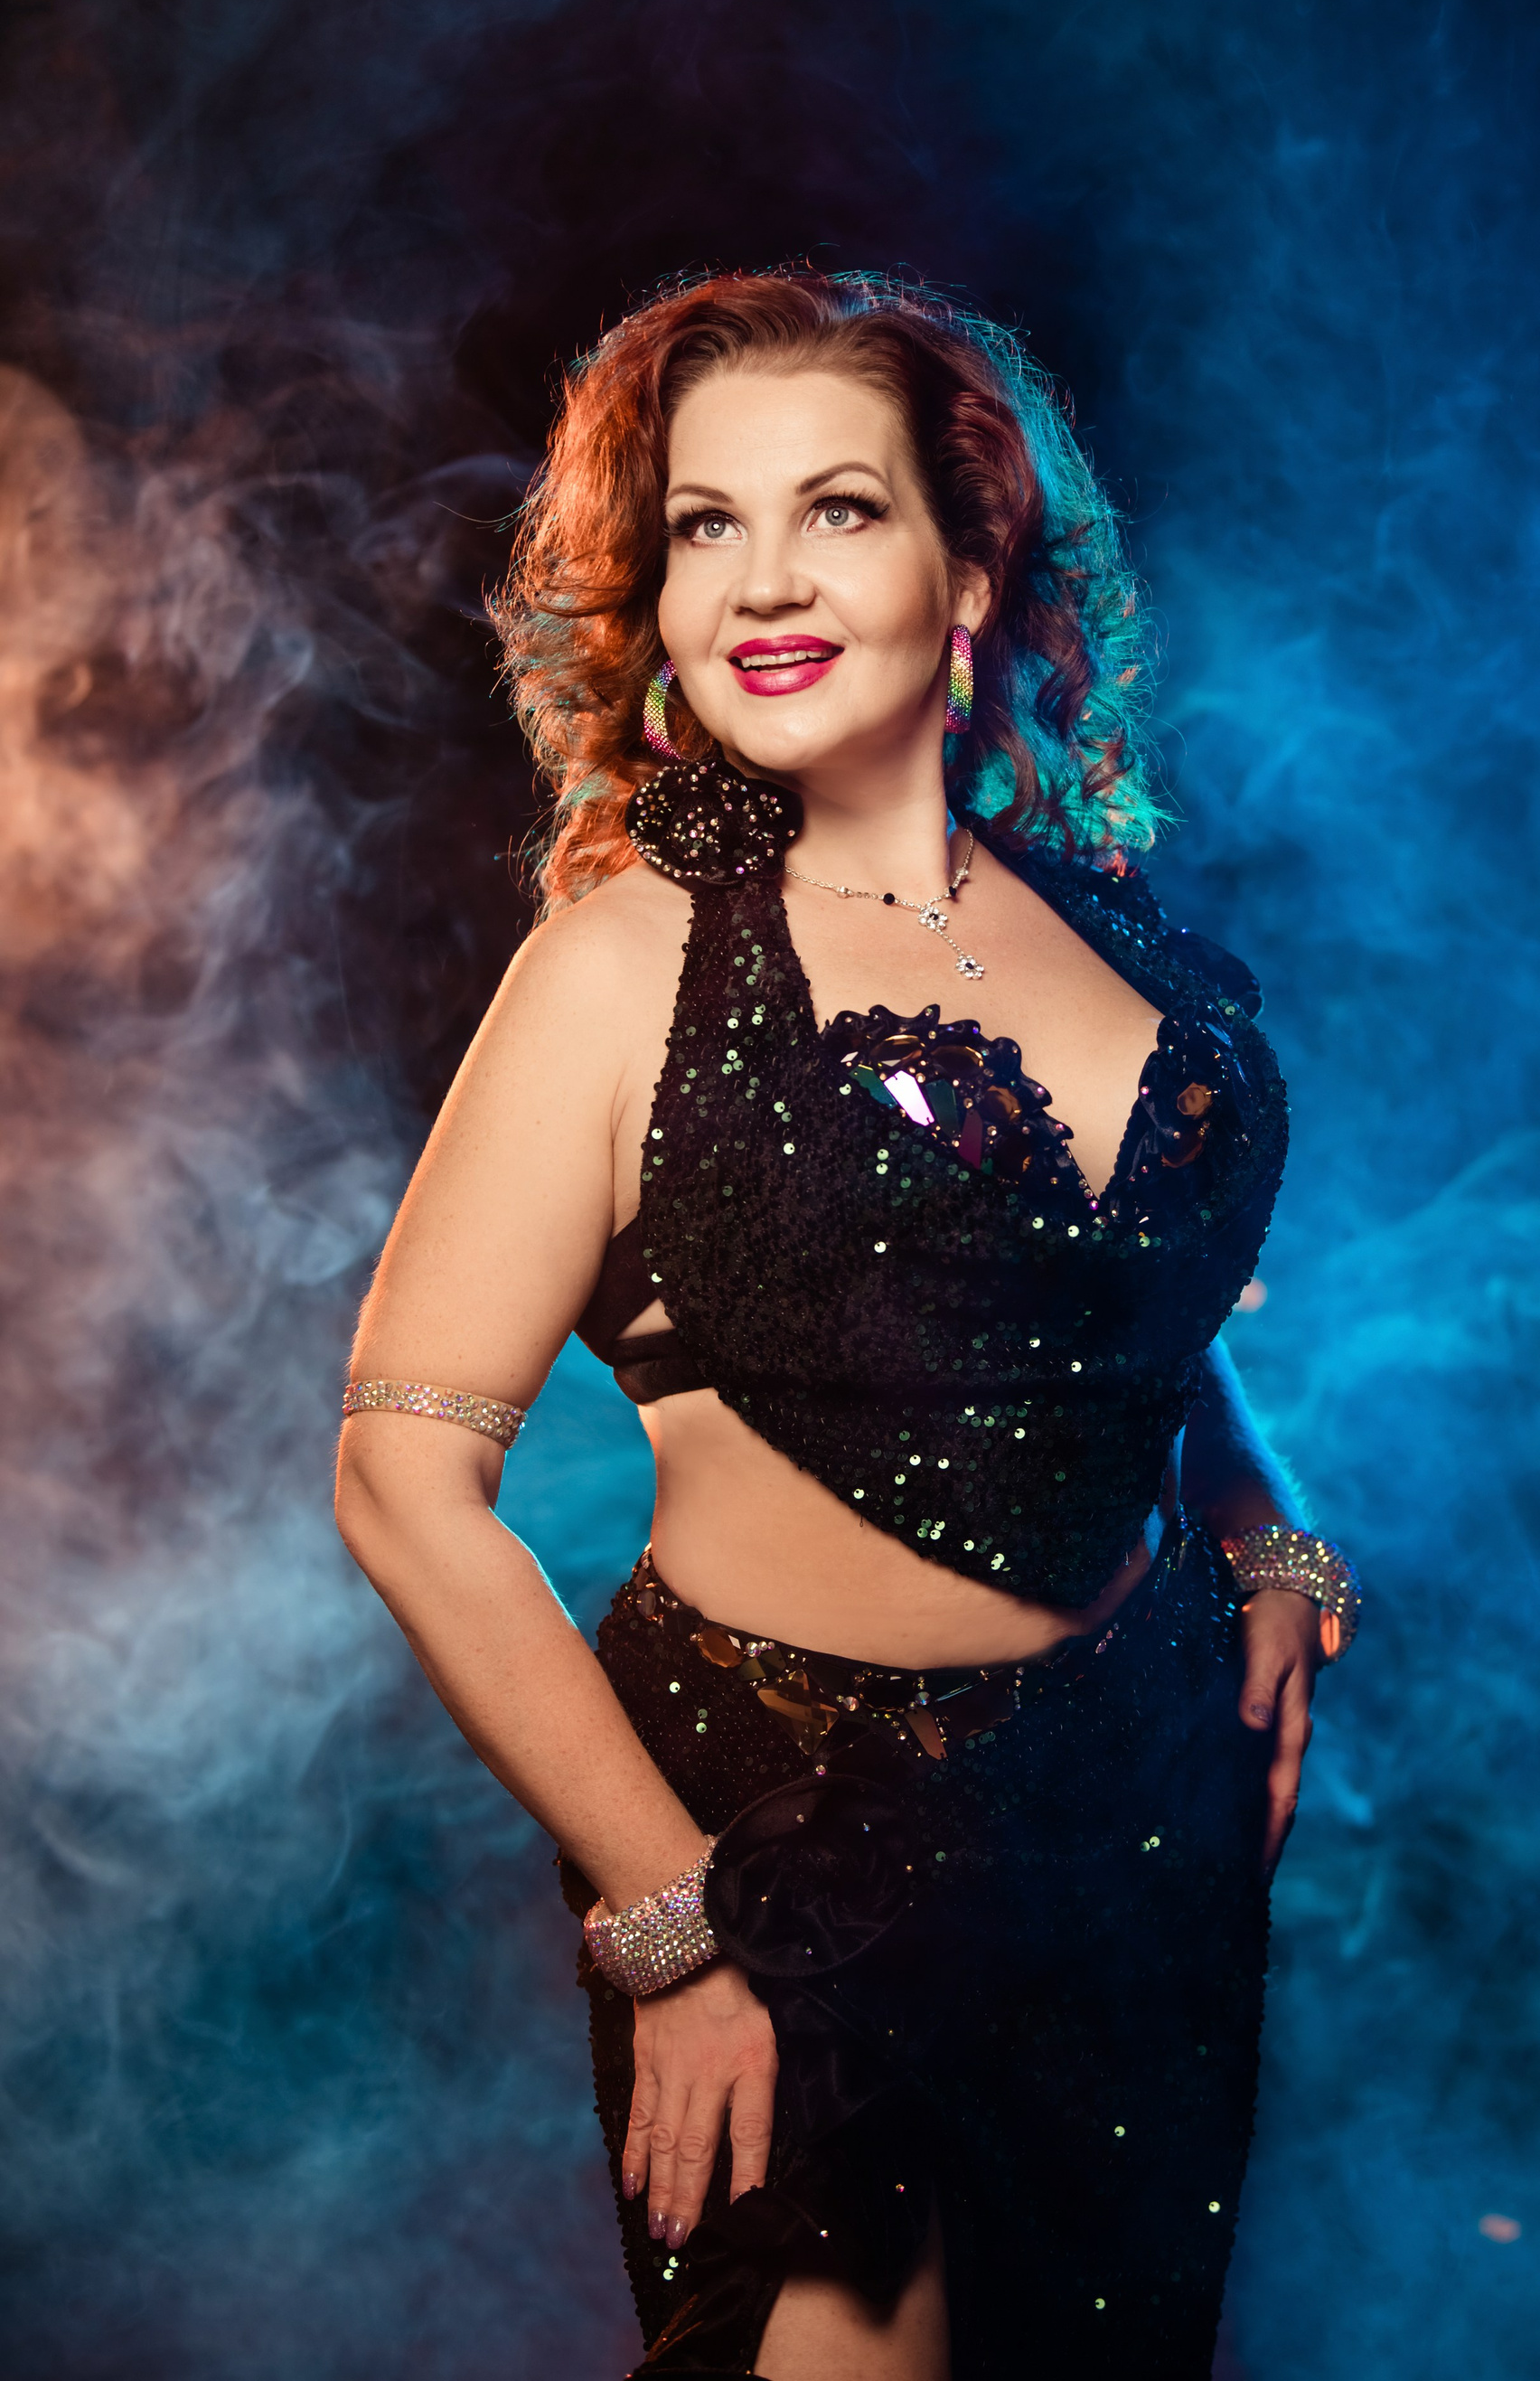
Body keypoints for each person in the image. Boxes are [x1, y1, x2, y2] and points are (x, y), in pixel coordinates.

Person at [333, 268, 1358, 2381]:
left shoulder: (1114, 934)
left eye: (840, 510)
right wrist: (673, 1929)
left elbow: (1104, 1307)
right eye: (705, 524)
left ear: (972, 567)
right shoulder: (624, 964)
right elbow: (401, 1479)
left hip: (1143, 1822)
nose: (765, 582)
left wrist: (1264, 1526)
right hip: (797, 1859)